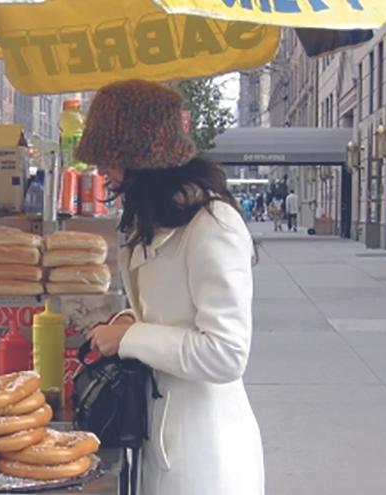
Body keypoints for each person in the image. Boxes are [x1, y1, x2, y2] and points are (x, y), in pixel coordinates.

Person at [76, 80, 264, 495]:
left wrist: (130, 336)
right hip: (157, 436)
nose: (102, 171)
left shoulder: (213, 225)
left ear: (140, 158)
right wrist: (131, 321)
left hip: (205, 455)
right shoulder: (155, 221)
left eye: (108, 158)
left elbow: (227, 354)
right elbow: (170, 315)